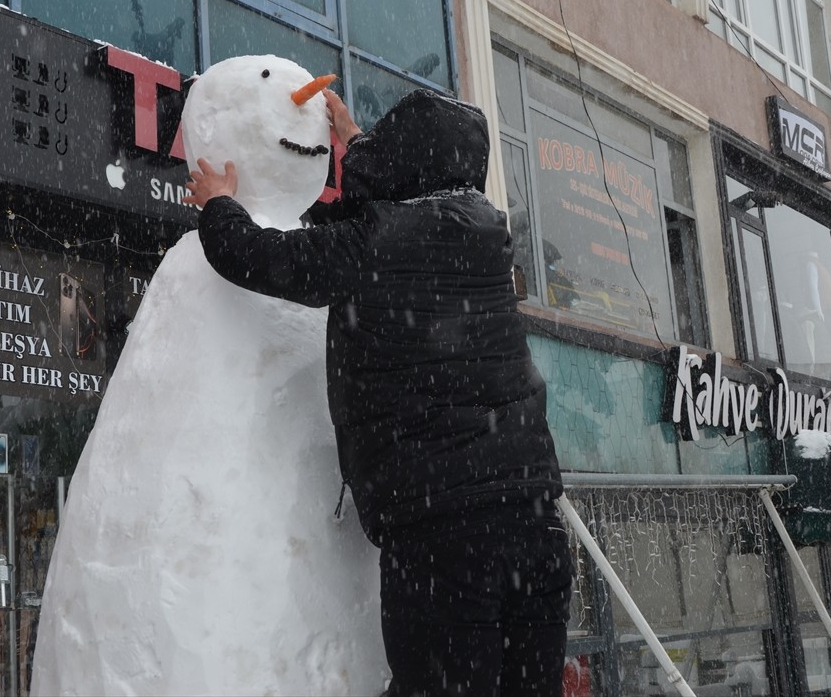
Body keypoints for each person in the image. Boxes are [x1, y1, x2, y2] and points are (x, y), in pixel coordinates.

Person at [186, 86, 572, 696]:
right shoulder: (485, 234)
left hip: (445, 535)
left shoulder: (370, 244)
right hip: (537, 524)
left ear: (398, 162)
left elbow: (260, 257)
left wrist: (219, 207)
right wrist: (357, 142)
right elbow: (411, 193)